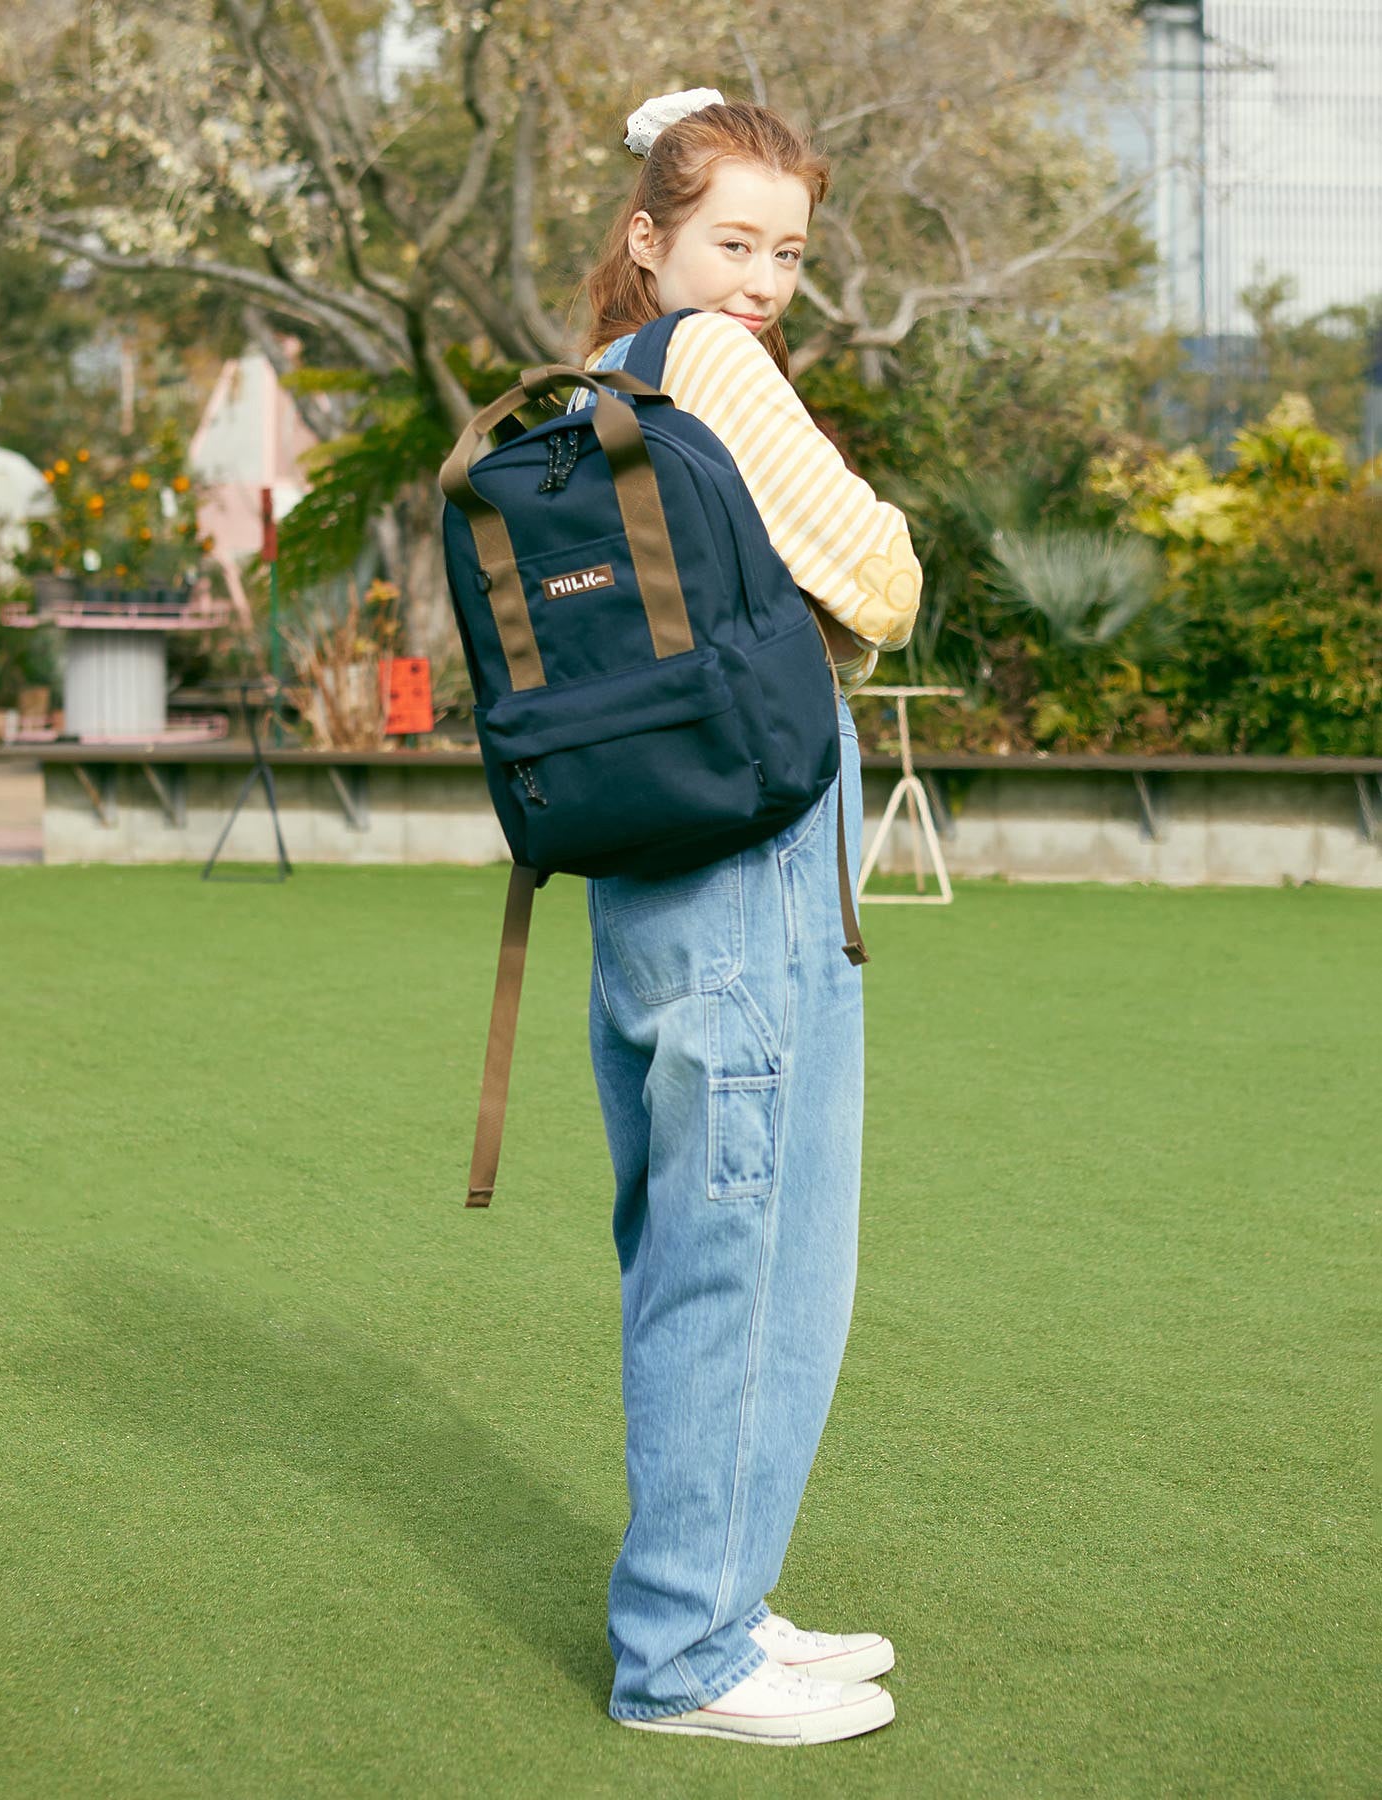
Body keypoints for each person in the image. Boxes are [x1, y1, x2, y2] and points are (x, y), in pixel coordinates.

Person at [572, 91, 924, 1747]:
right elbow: (882, 578)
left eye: (788, 251)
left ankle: (721, 1593)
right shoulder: (708, 362)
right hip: (750, 862)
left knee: (708, 1241)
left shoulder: (607, 380)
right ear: (651, 239)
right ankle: (685, 1657)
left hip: (654, 859)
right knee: (754, 1251)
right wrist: (877, 532)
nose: (765, 282)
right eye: (733, 242)